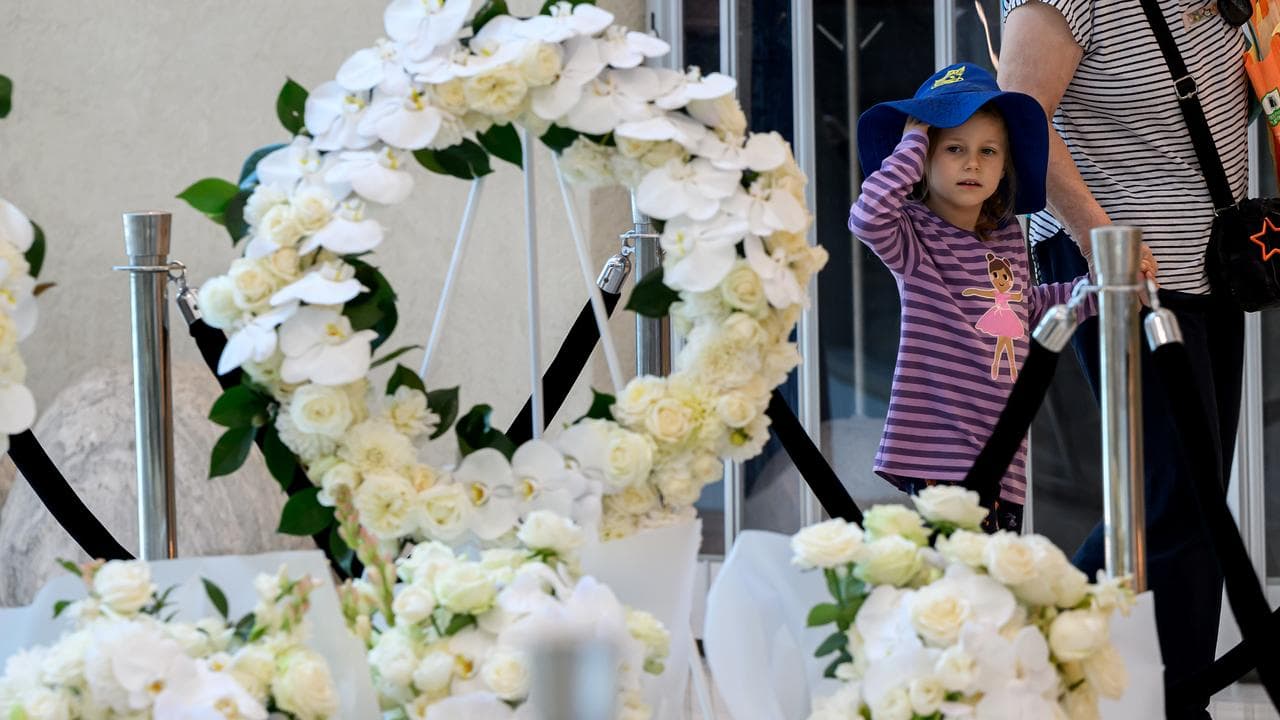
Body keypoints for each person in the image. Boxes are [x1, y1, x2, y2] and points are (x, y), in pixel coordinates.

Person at [998, 2, 1248, 717]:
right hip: (1117, 267)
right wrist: (1102, 237)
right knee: (1173, 498)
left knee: (1188, 503)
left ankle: (1058, 668)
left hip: (1212, 271)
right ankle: (1025, 659)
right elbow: (1021, 120)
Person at [849, 62, 1111, 532]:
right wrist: (912, 143)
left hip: (1004, 446)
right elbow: (867, 218)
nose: (973, 163)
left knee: (995, 586)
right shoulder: (913, 234)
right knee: (959, 581)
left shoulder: (1006, 236)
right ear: (924, 162)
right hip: (941, 447)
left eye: (988, 151)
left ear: (1004, 166)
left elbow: (1025, 307)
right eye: (953, 148)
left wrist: (1096, 291)